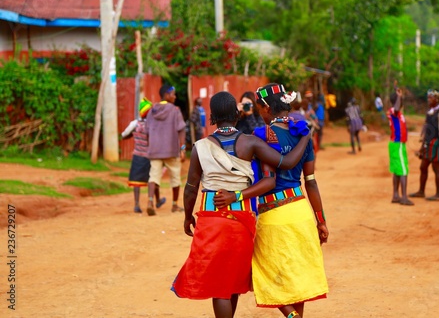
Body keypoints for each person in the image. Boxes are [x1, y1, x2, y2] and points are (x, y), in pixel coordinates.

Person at [171, 91, 311, 318]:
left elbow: (190, 189)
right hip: (241, 220)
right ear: (237, 114)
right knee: (233, 279)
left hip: (210, 219)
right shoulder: (251, 143)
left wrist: (188, 217)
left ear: (212, 116)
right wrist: (305, 137)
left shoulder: (200, 147)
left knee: (221, 285)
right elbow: (281, 168)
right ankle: (291, 313)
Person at [251, 83, 329, 318]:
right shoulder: (302, 131)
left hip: (273, 214)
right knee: (296, 278)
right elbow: (311, 182)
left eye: (258, 108)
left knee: (261, 269)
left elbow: (267, 178)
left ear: (266, 108)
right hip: (301, 212)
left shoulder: (262, 135)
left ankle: (291, 316)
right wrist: (321, 220)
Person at [145, 85, 186, 216]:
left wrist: (149, 146)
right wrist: (183, 148)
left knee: (153, 176)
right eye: (173, 94)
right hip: (171, 150)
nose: (175, 96)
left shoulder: (152, 111)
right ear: (166, 95)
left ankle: (150, 202)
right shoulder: (175, 110)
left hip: (155, 149)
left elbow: (146, 131)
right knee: (175, 177)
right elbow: (181, 130)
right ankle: (174, 205)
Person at [121, 98, 166, 213]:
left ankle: (136, 205)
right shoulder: (154, 125)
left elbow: (124, 135)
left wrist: (132, 135)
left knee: (137, 180)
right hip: (151, 156)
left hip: (137, 155)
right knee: (153, 178)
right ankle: (157, 200)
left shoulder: (135, 124)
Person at [410, 89, 439, 201]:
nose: (429, 100)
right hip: (428, 143)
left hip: (436, 143)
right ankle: (421, 191)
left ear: (437, 99)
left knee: (436, 168)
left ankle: (438, 194)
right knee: (423, 167)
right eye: (428, 97)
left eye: (431, 98)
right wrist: (422, 146)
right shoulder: (430, 111)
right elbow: (427, 129)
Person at [387, 88, 414, 206]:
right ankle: (404, 197)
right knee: (403, 170)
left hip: (396, 144)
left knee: (397, 170)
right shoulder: (394, 110)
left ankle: (395, 195)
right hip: (397, 145)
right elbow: (397, 108)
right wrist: (399, 96)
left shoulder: (397, 113)